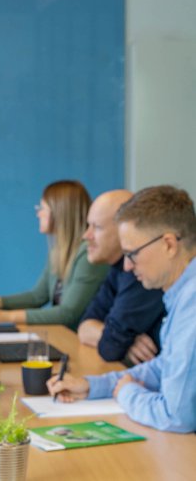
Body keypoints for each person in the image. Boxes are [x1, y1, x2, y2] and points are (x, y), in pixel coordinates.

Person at [48, 185, 196, 433]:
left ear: (169, 245)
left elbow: (177, 415)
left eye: (132, 254)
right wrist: (94, 386)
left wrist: (127, 392)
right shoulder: (180, 294)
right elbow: (162, 368)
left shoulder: (191, 302)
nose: (126, 267)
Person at [0, 180, 108, 329]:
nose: (38, 213)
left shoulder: (88, 254)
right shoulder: (58, 251)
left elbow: (68, 313)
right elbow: (37, 296)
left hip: (78, 343)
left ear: (60, 212)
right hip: (64, 335)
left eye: (42, 208)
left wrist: (6, 316)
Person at [78, 190, 166, 364]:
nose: (86, 235)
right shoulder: (118, 269)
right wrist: (128, 342)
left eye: (96, 227)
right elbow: (85, 326)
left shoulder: (143, 272)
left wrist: (118, 341)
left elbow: (110, 347)